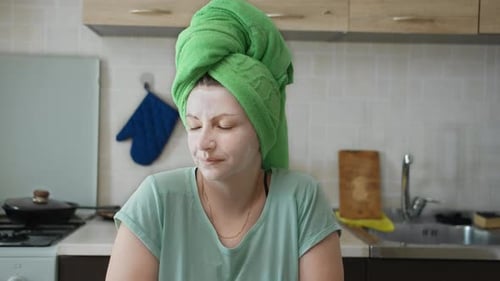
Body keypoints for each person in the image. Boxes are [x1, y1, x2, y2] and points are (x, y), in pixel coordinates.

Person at [105, 0, 344, 280]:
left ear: (261, 130)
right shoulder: (156, 200)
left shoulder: (301, 200)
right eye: (194, 126)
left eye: (224, 125)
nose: (204, 143)